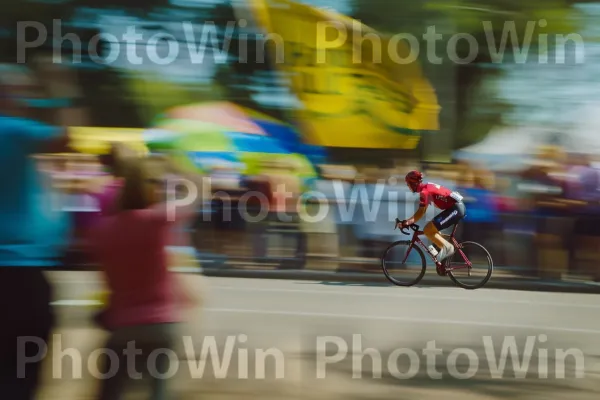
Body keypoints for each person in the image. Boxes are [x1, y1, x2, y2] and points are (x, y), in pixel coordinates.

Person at [87, 152, 201, 400]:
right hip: (162, 323)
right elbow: (194, 195)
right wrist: (178, 171)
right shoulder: (156, 221)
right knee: (157, 392)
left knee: (111, 392)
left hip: (122, 324)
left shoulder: (103, 231)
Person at [0, 64, 72, 399]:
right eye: (23, 91)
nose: (28, 99)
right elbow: (66, 138)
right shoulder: (13, 129)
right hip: (18, 273)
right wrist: (62, 88)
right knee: (21, 372)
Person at [397, 170, 466, 263]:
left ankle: (448, 248)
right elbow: (423, 210)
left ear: (413, 183)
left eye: (408, 184)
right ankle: (443, 255)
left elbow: (421, 212)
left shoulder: (424, 192)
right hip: (455, 208)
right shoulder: (426, 187)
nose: (408, 186)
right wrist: (409, 221)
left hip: (455, 209)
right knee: (431, 229)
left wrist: (407, 222)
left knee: (428, 230)